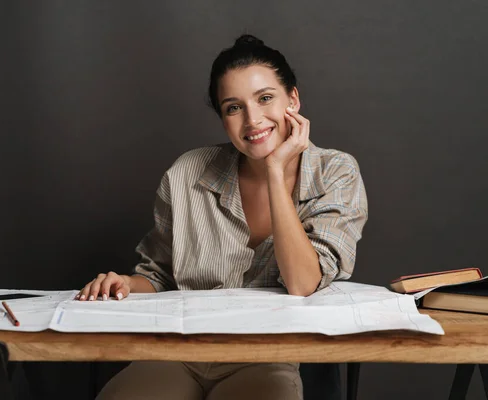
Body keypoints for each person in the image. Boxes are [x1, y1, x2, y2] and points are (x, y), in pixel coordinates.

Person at [78, 34, 368, 400]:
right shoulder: (186, 172)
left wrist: (275, 172)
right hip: (179, 350)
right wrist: (121, 283)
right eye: (234, 108)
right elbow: (159, 276)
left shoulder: (336, 172)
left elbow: (303, 283)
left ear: (292, 100)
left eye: (265, 99)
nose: (252, 120)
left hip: (268, 354)